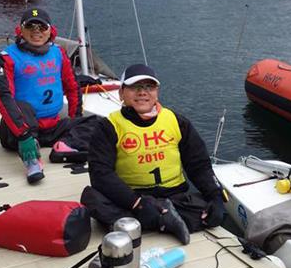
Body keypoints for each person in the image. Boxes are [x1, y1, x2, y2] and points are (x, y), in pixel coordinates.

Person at [80, 64, 226, 245]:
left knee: (212, 208)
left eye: (149, 87)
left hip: (174, 198)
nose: (142, 92)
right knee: (92, 199)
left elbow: (199, 164)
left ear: (156, 92)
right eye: (135, 87)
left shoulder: (176, 121)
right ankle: (168, 220)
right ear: (121, 93)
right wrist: (136, 202)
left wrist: (215, 196)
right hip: (134, 198)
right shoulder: (108, 126)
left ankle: (156, 220)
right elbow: (101, 174)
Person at [0, 8, 97, 184]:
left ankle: (63, 147)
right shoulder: (5, 58)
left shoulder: (58, 52)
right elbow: (3, 98)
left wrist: (75, 122)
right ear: (21, 30)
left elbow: (72, 86)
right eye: (30, 26)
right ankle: (32, 160)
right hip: (18, 130)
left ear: (50, 30)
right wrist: (23, 134)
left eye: (42, 27)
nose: (36, 31)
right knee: (22, 106)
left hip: (52, 127)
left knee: (97, 123)